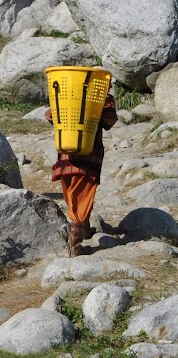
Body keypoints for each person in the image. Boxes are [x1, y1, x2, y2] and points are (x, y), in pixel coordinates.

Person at [45, 91, 118, 257]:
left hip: (65, 159)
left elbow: (49, 115)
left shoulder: (67, 95)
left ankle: (84, 229)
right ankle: (75, 246)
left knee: (73, 197)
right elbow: (109, 121)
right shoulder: (104, 99)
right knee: (82, 197)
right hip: (88, 159)